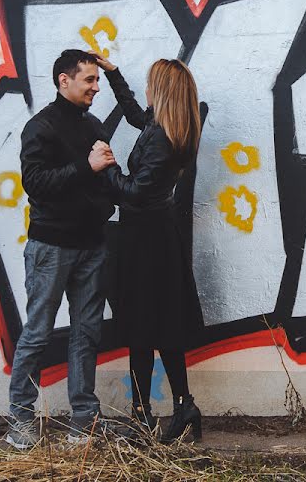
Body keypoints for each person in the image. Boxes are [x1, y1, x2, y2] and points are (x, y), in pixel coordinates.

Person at [5, 50, 118, 449]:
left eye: (96, 79)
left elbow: (105, 175)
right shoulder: (41, 127)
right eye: (88, 79)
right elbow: (35, 183)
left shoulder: (93, 124)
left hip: (92, 245)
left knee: (86, 334)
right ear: (63, 81)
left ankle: (83, 422)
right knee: (37, 334)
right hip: (51, 247)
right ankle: (20, 421)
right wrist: (86, 167)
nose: (95, 87)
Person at [90, 53, 203, 442]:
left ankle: (144, 413)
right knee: (162, 325)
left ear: (164, 91)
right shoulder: (171, 127)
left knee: (142, 326)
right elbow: (136, 114)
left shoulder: (161, 137)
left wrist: (107, 168)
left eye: (153, 83)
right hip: (158, 237)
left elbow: (134, 194)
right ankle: (181, 405)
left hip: (144, 239)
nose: (149, 88)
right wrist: (114, 74)